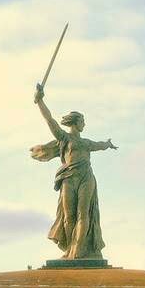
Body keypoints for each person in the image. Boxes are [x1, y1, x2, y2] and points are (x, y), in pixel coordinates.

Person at [30, 85, 117, 259]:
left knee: (83, 214)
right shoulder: (64, 138)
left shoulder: (86, 143)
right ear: (75, 122)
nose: (84, 124)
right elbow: (50, 121)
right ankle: (71, 248)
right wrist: (40, 101)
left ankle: (79, 250)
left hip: (86, 178)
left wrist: (107, 144)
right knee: (68, 217)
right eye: (82, 121)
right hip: (68, 179)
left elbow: (99, 145)